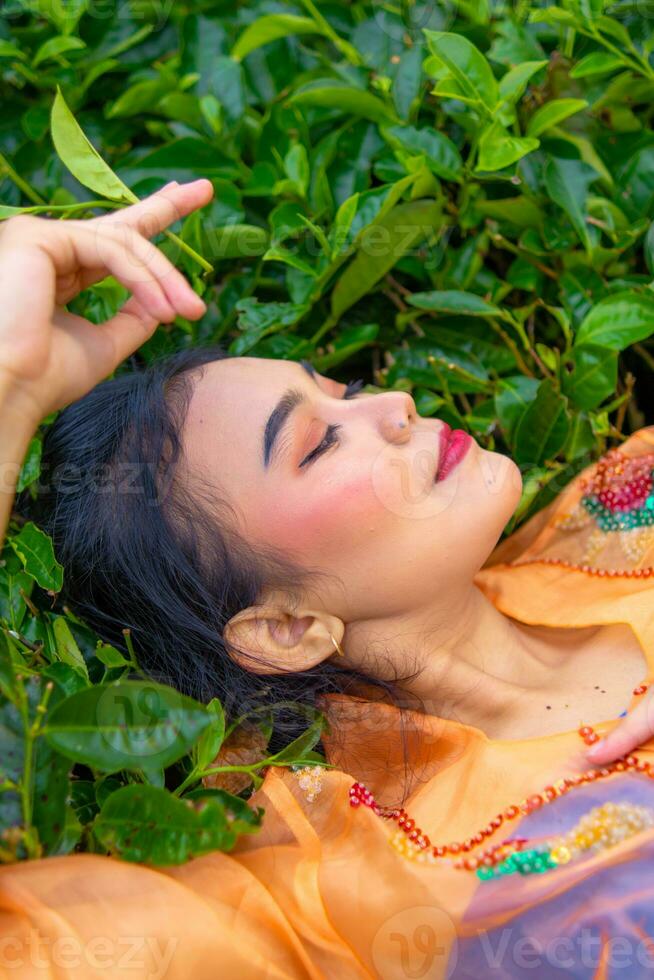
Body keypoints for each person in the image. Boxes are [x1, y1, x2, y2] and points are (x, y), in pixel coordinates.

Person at [1, 180, 654, 978]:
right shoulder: (328, 879)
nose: (397, 405)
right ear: (283, 628)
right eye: (319, 445)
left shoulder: (625, 515)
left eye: (341, 391)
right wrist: (11, 383)